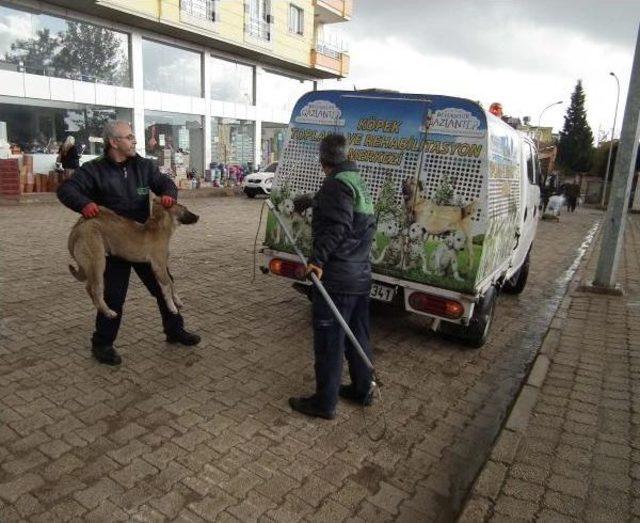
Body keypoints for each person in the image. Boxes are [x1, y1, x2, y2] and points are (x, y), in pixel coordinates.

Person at [57, 120, 201, 366]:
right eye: (129, 137)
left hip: (143, 239)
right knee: (113, 296)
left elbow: (164, 183)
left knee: (163, 284)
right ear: (114, 142)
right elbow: (67, 189)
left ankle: (175, 330)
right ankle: (102, 343)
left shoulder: (144, 166)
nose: (135, 141)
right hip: (112, 243)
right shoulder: (94, 170)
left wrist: (170, 194)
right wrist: (83, 204)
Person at [288, 133, 376, 420]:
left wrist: (316, 260)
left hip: (337, 279)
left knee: (330, 341)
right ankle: (363, 389)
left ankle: (324, 403)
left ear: (322, 159)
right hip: (360, 275)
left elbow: (338, 227)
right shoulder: (356, 182)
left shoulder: (335, 185)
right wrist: (314, 201)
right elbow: (348, 217)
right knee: (357, 336)